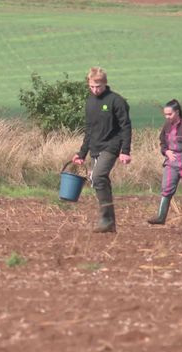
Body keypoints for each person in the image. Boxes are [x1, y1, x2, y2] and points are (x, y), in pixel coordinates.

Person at [72, 67, 132, 233]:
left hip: (111, 146)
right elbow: (89, 129)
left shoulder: (116, 101)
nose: (95, 89)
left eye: (98, 86)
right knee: (99, 180)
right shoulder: (90, 101)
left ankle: (105, 219)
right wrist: (82, 153)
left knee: (98, 176)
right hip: (95, 147)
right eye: (92, 86)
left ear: (105, 83)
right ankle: (110, 223)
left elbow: (125, 127)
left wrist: (125, 150)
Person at [148, 99, 182, 225]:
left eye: (169, 114)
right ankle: (161, 217)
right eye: (165, 114)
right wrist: (166, 151)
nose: (167, 117)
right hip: (171, 162)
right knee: (166, 188)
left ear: (177, 112)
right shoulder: (166, 126)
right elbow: (162, 142)